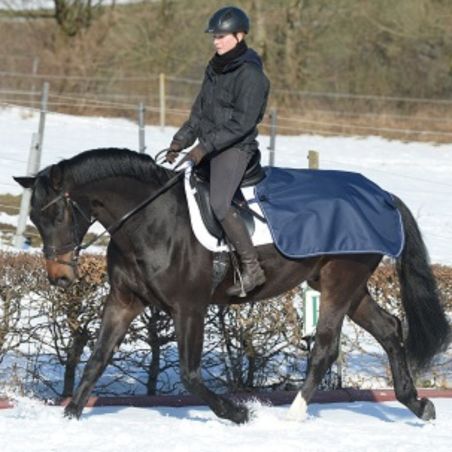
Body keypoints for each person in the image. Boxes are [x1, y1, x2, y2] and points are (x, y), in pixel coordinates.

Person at [166, 6, 270, 297]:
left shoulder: (251, 75)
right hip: (208, 146)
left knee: (220, 203)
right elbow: (199, 112)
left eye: (222, 36)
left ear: (240, 36)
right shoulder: (214, 67)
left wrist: (204, 147)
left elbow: (242, 123)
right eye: (214, 36)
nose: (216, 41)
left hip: (235, 147)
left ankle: (252, 268)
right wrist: (180, 140)